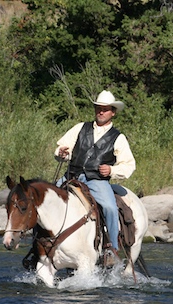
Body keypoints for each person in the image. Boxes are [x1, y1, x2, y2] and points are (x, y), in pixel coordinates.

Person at [54, 90, 136, 265]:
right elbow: (62, 147)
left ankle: (111, 249)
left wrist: (112, 170)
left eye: (105, 109)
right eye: (99, 108)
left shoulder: (118, 137)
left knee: (110, 207)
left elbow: (129, 165)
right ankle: (40, 245)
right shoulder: (80, 128)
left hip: (96, 180)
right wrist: (61, 152)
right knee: (48, 199)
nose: (101, 112)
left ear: (112, 112)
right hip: (72, 176)